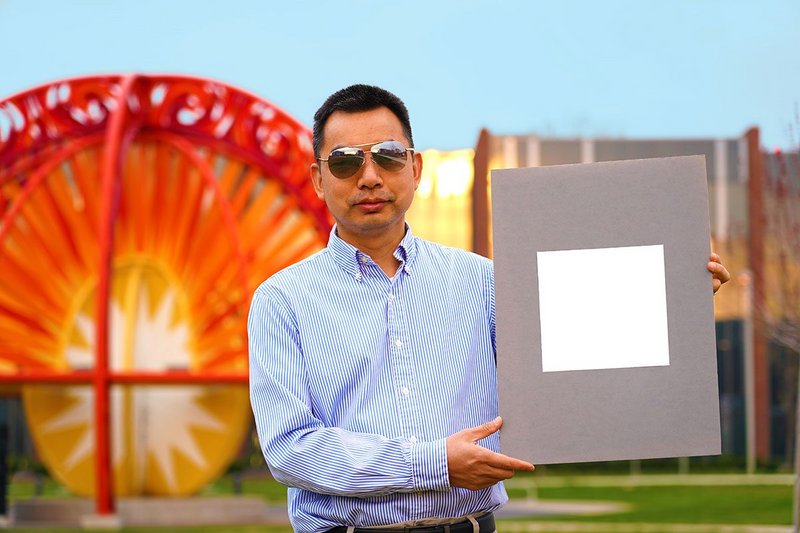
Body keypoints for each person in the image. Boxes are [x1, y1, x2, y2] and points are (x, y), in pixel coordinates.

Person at [248, 84, 731, 533]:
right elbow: (290, 450)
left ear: (415, 169)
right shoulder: (282, 301)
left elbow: (565, 358)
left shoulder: (484, 281)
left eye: (389, 157)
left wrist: (670, 300)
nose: (370, 176)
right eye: (346, 162)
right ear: (317, 177)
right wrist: (435, 463)